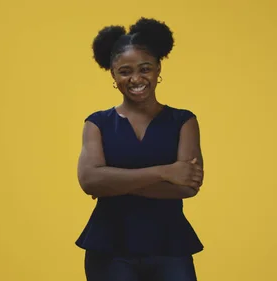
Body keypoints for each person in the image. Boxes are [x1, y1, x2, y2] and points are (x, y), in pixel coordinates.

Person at [75, 17, 205, 281]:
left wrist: (112, 182)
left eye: (145, 68)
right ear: (113, 74)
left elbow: (186, 186)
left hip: (170, 245)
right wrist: (165, 171)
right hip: (109, 247)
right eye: (125, 71)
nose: (136, 78)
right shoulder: (97, 123)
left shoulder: (183, 121)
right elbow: (89, 181)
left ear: (158, 68)